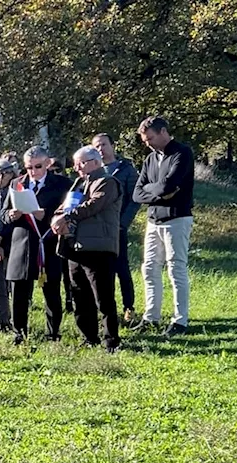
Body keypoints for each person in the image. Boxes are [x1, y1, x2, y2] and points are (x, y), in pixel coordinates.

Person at [51, 146, 122, 352]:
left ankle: (111, 340)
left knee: (103, 298)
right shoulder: (79, 184)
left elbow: (93, 205)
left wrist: (67, 217)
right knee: (80, 296)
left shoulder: (107, 182)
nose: (77, 167)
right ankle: (89, 337)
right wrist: (57, 217)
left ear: (96, 162)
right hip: (75, 246)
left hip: (98, 247)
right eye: (75, 163)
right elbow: (65, 206)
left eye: (81, 163)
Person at [131, 116, 194, 337]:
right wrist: (159, 193)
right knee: (149, 268)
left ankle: (180, 321)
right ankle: (151, 317)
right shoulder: (150, 158)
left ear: (163, 132)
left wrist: (158, 190)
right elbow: (138, 193)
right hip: (153, 220)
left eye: (150, 138)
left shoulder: (182, 153)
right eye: (145, 140)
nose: (147, 143)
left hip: (177, 218)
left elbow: (170, 184)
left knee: (176, 268)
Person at [0, 158, 43, 343]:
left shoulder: (16, 193)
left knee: (12, 287)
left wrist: (0, 243)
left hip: (9, 246)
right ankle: (2, 321)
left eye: (2, 174)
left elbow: (15, 221)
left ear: (11, 174)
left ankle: (16, 324)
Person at [19, 146, 70, 340]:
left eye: (37, 166)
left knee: (51, 291)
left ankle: (53, 332)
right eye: (28, 167)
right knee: (21, 292)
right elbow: (5, 214)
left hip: (49, 244)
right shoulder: (17, 184)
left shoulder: (63, 184)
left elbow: (68, 211)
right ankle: (20, 332)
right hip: (23, 245)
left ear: (47, 164)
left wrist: (45, 215)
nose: (33, 171)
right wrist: (11, 214)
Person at [92, 133, 141, 324]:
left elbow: (135, 199)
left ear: (113, 146)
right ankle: (105, 308)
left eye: (104, 145)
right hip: (95, 229)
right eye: (96, 146)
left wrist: (123, 223)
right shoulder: (92, 171)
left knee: (122, 268)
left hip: (117, 228)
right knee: (102, 271)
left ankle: (129, 307)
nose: (101, 149)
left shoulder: (126, 170)